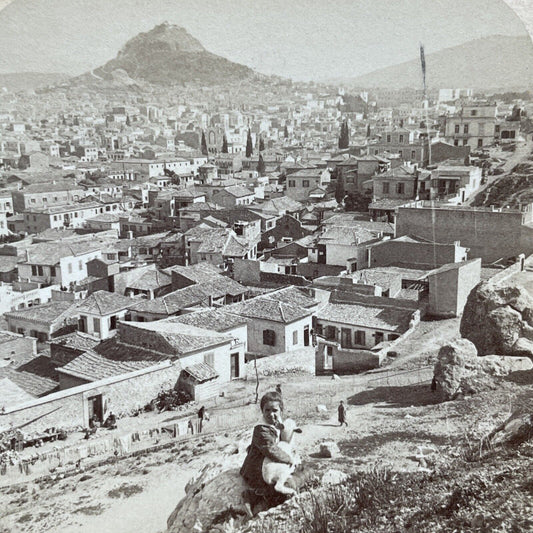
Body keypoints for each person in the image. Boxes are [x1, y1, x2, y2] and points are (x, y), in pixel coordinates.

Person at [240, 391, 296, 514]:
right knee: (277, 486)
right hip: (256, 468)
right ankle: (251, 495)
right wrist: (288, 459)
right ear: (262, 411)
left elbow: (281, 434)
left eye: (275, 410)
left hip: (267, 461)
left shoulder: (275, 422)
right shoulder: (261, 429)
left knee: (290, 474)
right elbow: (270, 449)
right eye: (267, 410)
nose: (271, 414)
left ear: (281, 410)